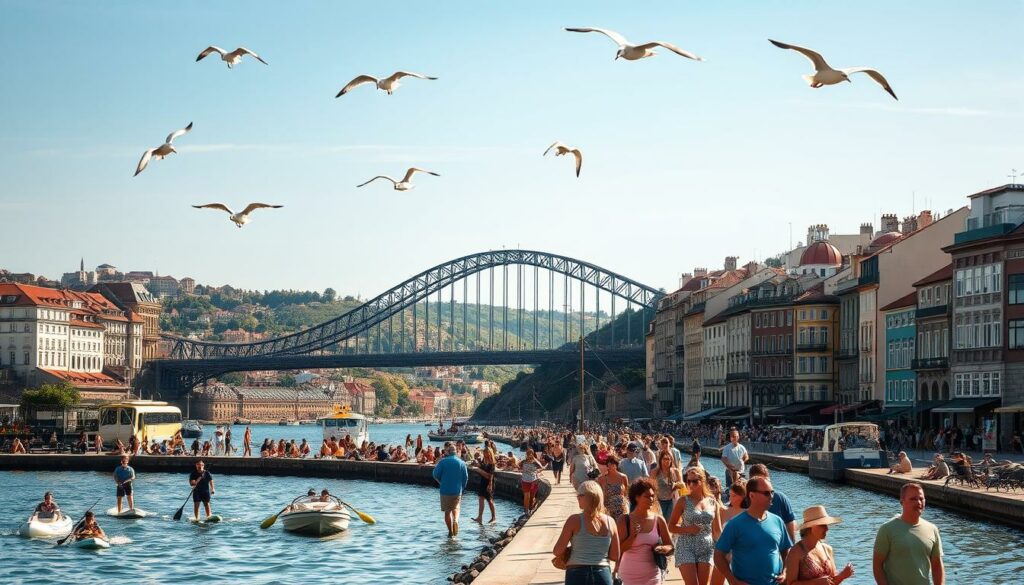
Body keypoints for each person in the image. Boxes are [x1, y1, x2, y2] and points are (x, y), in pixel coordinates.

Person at [713, 476, 792, 585]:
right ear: (752, 495)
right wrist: (732, 580)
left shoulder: (777, 521)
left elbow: (786, 550)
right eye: (766, 493)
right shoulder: (735, 524)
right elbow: (718, 555)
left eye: (772, 492)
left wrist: (785, 572)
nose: (771, 496)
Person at [873, 482, 944, 585]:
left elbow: (937, 565)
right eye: (913, 499)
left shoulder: (932, 529)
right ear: (902, 501)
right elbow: (877, 565)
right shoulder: (887, 529)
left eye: (921, 498)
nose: (918, 502)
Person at [553, 480, 621, 585]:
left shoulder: (574, 520)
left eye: (580, 495)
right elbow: (615, 556)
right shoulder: (610, 522)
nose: (577, 498)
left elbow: (557, 551)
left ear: (589, 497)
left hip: (577, 574)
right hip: (602, 574)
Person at [670, 467, 723, 585]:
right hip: (686, 546)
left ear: (702, 481)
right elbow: (671, 527)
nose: (691, 484)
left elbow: (718, 530)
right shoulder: (683, 501)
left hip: (707, 547)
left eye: (694, 481)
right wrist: (687, 529)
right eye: (688, 481)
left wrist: (727, 547)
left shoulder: (712, 502)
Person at [616, 478, 674, 585]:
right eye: (647, 496)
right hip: (629, 576)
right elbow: (618, 550)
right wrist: (632, 536)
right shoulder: (624, 520)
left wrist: (663, 548)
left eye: (652, 496)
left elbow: (671, 547)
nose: (651, 499)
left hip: (653, 575)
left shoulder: (659, 520)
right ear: (636, 497)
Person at [783, 506, 854, 585]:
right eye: (823, 525)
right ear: (811, 527)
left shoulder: (827, 549)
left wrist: (842, 575)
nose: (827, 529)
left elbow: (832, 582)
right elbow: (791, 583)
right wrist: (815, 583)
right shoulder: (796, 551)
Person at [748, 464, 797, 543]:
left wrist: (792, 544)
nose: (766, 485)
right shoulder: (743, 500)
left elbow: (790, 522)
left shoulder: (780, 498)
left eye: (767, 481)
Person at [432, 444, 469, 537]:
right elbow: (466, 477)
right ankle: (455, 520)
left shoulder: (443, 462)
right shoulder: (461, 463)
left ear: (448, 452)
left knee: (447, 512)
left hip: (445, 490)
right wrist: (462, 488)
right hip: (457, 490)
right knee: (456, 507)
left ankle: (450, 532)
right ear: (456, 452)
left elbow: (435, 475)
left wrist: (440, 482)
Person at [651, 450, 683, 519]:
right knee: (659, 521)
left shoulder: (675, 472)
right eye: (664, 459)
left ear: (671, 460)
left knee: (668, 521)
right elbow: (650, 487)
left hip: (671, 501)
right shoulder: (655, 472)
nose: (666, 461)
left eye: (668, 459)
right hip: (658, 501)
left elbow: (682, 486)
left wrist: (675, 487)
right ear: (660, 460)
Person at [598, 454, 630, 520]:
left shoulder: (623, 477)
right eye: (609, 465)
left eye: (613, 464)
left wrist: (625, 504)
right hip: (608, 508)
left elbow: (626, 492)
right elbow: (600, 494)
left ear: (616, 465)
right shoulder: (601, 478)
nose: (610, 466)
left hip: (622, 507)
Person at [471, 448, 497, 524]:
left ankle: (494, 517)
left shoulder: (492, 463)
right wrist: (477, 465)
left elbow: (491, 475)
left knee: (490, 500)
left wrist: (490, 484)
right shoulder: (484, 461)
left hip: (488, 482)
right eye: (484, 453)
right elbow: (483, 469)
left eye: (486, 453)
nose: (485, 454)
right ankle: (479, 517)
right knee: (481, 498)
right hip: (483, 481)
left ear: (490, 453)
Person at [520, 448, 546, 512]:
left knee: (532, 497)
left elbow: (541, 467)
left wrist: (535, 459)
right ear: (526, 454)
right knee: (526, 496)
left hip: (534, 481)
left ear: (533, 454)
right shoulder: (523, 461)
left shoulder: (535, 462)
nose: (530, 455)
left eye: (531, 453)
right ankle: (526, 511)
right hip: (525, 480)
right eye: (528, 453)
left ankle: (530, 508)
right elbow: (519, 466)